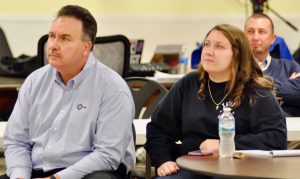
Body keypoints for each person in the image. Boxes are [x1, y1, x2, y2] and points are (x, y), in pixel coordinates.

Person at [2, 5, 135, 179]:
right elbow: (16, 141)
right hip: (36, 170)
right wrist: (20, 176)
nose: (53, 45)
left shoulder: (113, 88)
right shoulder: (35, 81)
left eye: (65, 39)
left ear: (86, 47)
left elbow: (106, 156)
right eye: (52, 36)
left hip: (90, 172)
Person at [144, 24, 287, 179]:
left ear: (237, 55)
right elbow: (158, 129)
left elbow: (276, 139)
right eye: (207, 45)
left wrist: (224, 145)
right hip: (192, 168)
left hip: (240, 169)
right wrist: (164, 161)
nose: (209, 52)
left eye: (219, 47)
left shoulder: (256, 91)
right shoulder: (190, 83)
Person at [244, 13, 300, 117]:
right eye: (250, 31)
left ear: (273, 38)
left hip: (288, 129)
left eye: (261, 32)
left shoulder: (289, 67)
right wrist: (286, 86)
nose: (255, 37)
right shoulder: (235, 68)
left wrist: (251, 85)